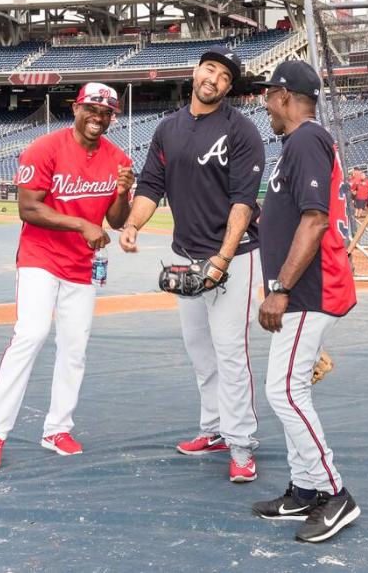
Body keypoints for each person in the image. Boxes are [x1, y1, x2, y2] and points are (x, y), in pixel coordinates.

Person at [119, 46, 265, 483]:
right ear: (195, 72)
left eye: (224, 76)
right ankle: (214, 429)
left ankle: (241, 444)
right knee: (201, 352)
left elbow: (244, 201)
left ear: (229, 86)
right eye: (210, 69)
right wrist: (132, 225)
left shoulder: (242, 131)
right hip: (186, 257)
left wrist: (222, 257)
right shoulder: (168, 128)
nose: (214, 78)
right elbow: (150, 186)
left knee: (231, 353)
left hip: (233, 257)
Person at [0, 82, 135, 472]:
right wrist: (81, 224)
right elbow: (28, 209)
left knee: (74, 348)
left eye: (106, 112)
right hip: (40, 257)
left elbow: (115, 222)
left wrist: (120, 194)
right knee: (30, 334)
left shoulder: (118, 158)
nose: (98, 117)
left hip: (82, 265)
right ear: (75, 108)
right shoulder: (45, 148)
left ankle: (57, 428)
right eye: (91, 109)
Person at [251, 60, 360, 543]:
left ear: (284, 96)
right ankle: (305, 489)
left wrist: (279, 288)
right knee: (289, 389)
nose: (264, 104)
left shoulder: (305, 139)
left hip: (309, 289)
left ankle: (334, 494)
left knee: (286, 392)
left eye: (268, 95)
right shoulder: (298, 143)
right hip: (302, 289)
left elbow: (314, 221)